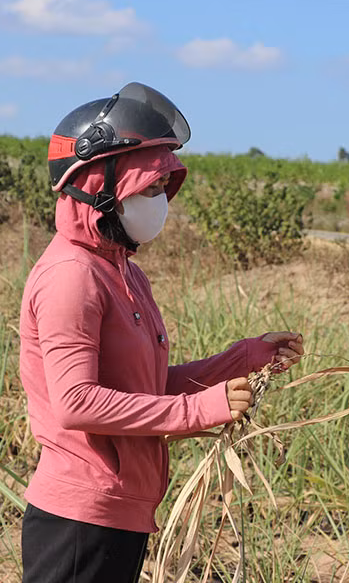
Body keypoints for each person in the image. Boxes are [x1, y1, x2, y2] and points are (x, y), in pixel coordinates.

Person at [19, 82, 304, 583]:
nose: (160, 201)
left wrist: (242, 360)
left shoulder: (124, 273)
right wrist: (201, 409)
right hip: (80, 519)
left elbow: (144, 387)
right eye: (148, 187)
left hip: (119, 512)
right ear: (98, 186)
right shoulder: (72, 276)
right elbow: (76, 403)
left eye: (161, 187)